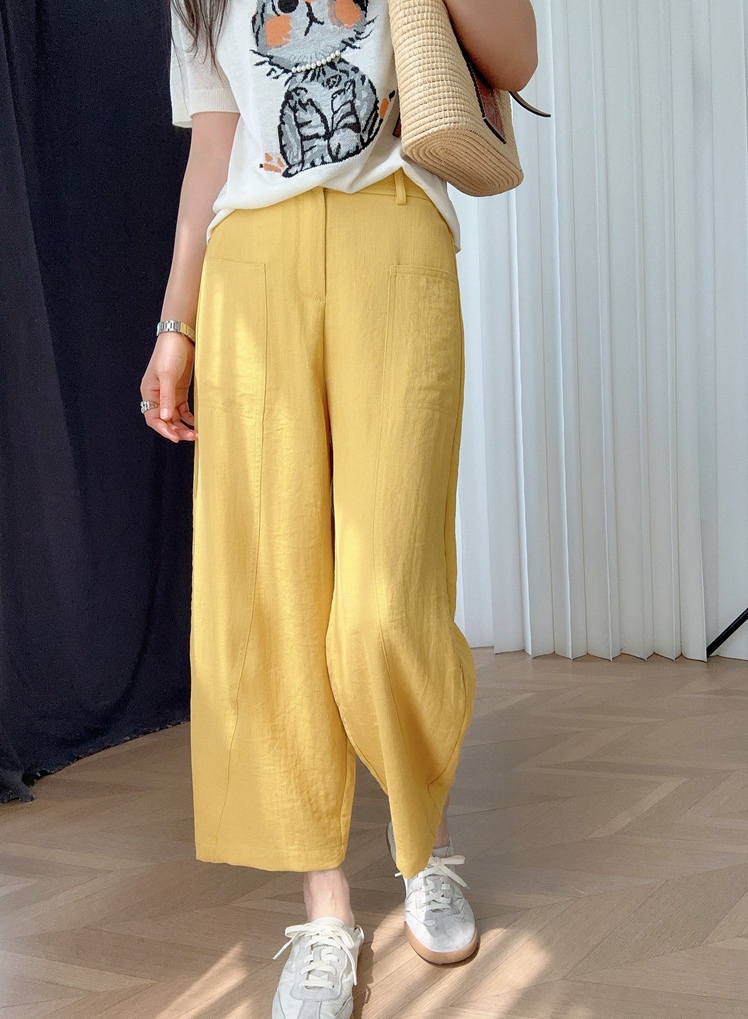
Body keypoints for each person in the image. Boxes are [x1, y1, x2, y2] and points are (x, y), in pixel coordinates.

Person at [140, 0, 537, 1014]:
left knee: (385, 601)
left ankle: (421, 844)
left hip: (392, 239)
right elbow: (213, 152)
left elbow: (517, 57)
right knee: (273, 594)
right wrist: (176, 326)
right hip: (252, 267)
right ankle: (323, 914)